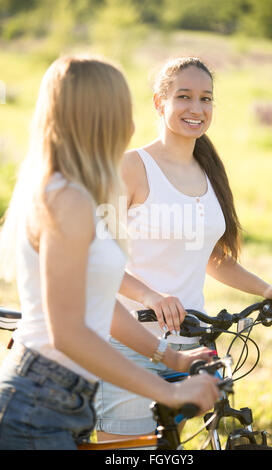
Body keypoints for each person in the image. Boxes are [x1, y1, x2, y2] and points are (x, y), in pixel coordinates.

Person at [0, 55, 221, 450]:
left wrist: (170, 359)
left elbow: (96, 302)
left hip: (61, 398)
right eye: (123, 107)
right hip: (39, 401)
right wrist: (166, 391)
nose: (132, 122)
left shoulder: (77, 191)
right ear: (98, 114)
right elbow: (67, 332)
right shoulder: (65, 197)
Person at [95, 56, 272, 441]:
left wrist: (265, 288)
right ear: (159, 102)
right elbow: (96, 257)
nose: (197, 108)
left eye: (206, 99)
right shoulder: (130, 167)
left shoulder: (209, 173)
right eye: (184, 96)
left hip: (194, 346)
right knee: (126, 449)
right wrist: (150, 295)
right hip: (129, 344)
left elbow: (209, 257)